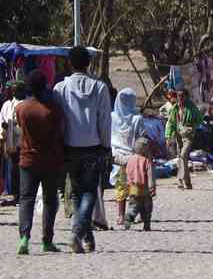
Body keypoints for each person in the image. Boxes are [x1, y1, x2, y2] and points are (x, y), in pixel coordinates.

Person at [53, 46, 113, 254]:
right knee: (90, 192)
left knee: (76, 192)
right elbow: (104, 120)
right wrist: (106, 145)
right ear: (89, 63)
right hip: (93, 147)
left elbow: (58, 120)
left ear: (69, 63)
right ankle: (79, 233)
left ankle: (84, 236)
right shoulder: (100, 87)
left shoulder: (60, 88)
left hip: (69, 147)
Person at [16, 69, 65, 255]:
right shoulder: (53, 110)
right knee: (50, 200)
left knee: (26, 199)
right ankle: (47, 240)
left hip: (27, 160)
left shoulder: (21, 108)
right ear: (45, 86)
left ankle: (24, 237)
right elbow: (59, 134)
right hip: (50, 161)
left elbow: (20, 128)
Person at [110, 88, 144, 227]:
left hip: (117, 157)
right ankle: (132, 214)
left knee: (120, 186)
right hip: (133, 157)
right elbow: (141, 138)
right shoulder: (137, 118)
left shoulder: (112, 117)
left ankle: (120, 216)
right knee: (134, 186)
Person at [165, 88, 203, 189]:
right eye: (178, 95)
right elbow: (171, 122)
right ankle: (187, 182)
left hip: (188, 136)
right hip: (178, 136)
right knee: (182, 158)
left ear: (186, 96)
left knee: (183, 154)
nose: (180, 97)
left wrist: (192, 127)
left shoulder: (192, 108)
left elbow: (200, 119)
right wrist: (168, 136)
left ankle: (180, 180)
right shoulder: (175, 108)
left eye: (182, 95)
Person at [0, 80, 27, 206]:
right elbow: (2, 122)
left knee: (24, 167)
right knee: (14, 168)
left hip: (24, 138)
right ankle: (16, 194)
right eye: (13, 90)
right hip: (11, 137)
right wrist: (1, 140)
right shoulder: (7, 105)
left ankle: (24, 194)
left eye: (16, 90)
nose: (14, 93)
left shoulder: (27, 103)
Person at [123, 138, 156, 231]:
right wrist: (152, 187)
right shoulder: (147, 161)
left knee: (133, 204)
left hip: (133, 186)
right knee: (146, 207)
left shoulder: (129, 158)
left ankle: (129, 218)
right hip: (145, 188)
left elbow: (119, 160)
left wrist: (111, 157)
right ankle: (146, 225)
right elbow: (150, 176)